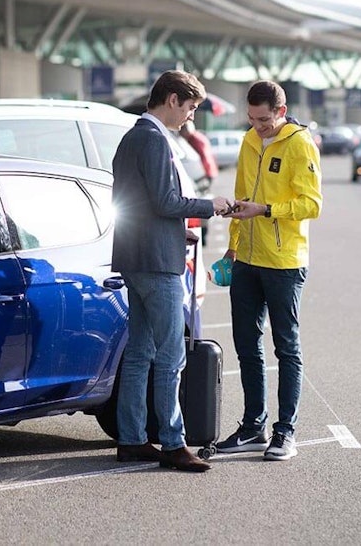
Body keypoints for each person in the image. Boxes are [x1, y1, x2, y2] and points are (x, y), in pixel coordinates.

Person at [111, 70, 232, 472]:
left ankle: (131, 439)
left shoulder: (131, 137)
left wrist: (176, 233)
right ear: (173, 99)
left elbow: (142, 205)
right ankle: (173, 444)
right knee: (171, 356)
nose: (190, 117)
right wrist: (207, 206)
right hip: (158, 264)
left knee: (140, 353)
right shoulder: (153, 139)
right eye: (191, 108)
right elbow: (165, 201)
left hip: (136, 257)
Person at [216, 80, 322, 461]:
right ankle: (252, 427)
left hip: (284, 263)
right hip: (246, 258)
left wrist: (267, 210)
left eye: (263, 120)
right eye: (251, 118)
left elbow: (312, 204)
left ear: (280, 111)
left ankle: (285, 432)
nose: (257, 126)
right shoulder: (248, 141)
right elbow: (241, 196)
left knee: (286, 348)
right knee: (247, 346)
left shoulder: (299, 143)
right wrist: (231, 246)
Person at [179, 120, 219, 188]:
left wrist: (202, 171)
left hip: (205, 171)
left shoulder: (194, 139)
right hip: (209, 169)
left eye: (181, 131)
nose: (180, 134)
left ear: (186, 130)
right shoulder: (198, 135)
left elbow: (203, 156)